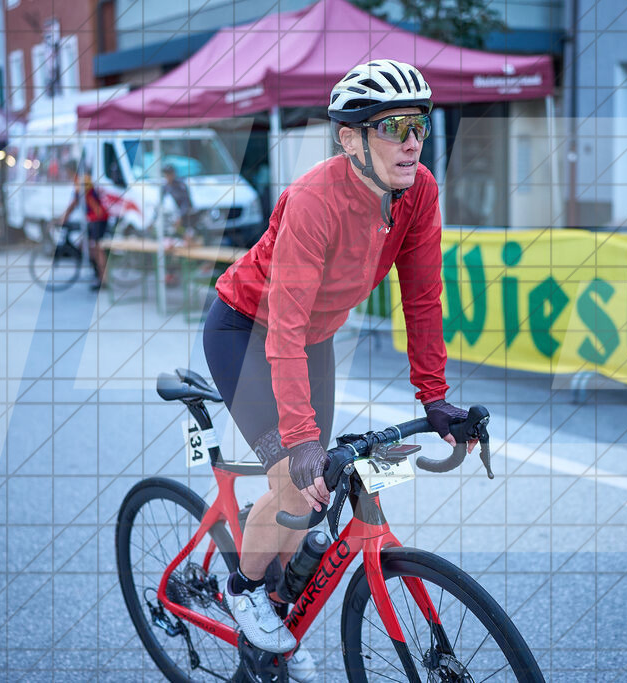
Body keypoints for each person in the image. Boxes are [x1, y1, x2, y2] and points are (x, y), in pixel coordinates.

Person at [202, 59, 474, 678]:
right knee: (295, 484)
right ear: (349, 138)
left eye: (420, 125)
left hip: (312, 340)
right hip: (247, 331)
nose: (411, 141)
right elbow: (283, 328)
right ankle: (242, 590)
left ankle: (271, 623)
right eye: (392, 126)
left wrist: (434, 398)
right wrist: (297, 442)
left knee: (316, 497)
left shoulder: (420, 192)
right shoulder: (312, 201)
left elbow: (423, 300)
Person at [59, 160, 110, 289]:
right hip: (93, 218)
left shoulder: (82, 181)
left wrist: (63, 218)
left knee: (98, 248)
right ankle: (97, 273)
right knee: (84, 245)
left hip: (99, 217)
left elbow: (74, 203)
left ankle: (104, 279)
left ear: (71, 171)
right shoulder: (80, 181)